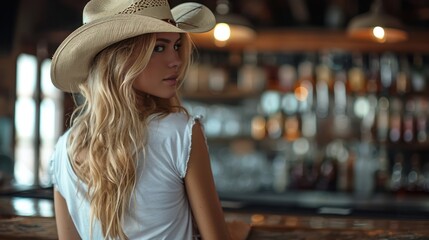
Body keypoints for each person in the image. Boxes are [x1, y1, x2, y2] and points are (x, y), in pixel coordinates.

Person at [49, 0, 249, 239]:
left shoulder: (63, 150)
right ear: (120, 60)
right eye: (158, 48)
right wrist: (235, 233)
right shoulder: (181, 133)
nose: (176, 60)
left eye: (176, 45)